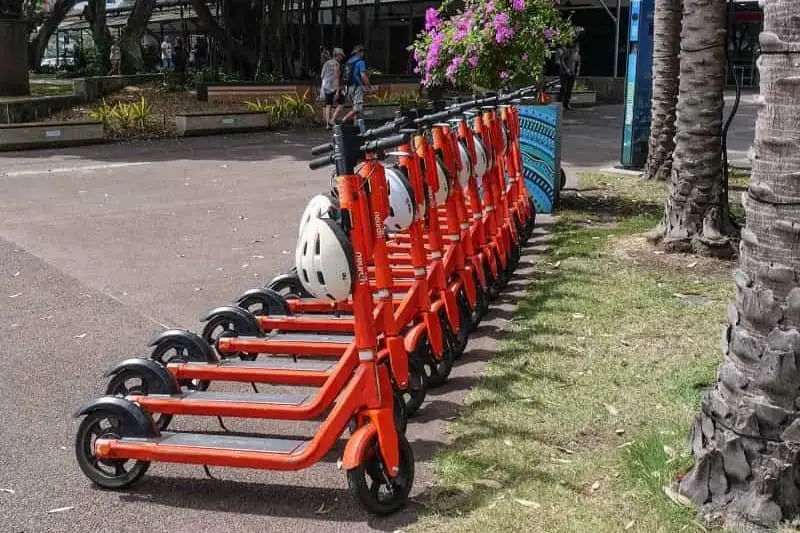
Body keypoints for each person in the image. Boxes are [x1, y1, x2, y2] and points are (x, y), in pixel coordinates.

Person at [341, 45, 375, 125]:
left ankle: (356, 125)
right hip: (356, 87)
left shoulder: (349, 61)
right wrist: (368, 86)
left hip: (348, 87)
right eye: (362, 52)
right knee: (358, 108)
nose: (363, 53)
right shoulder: (361, 62)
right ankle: (343, 120)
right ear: (359, 52)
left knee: (355, 107)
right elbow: (363, 75)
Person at [320, 47, 346, 129]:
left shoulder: (326, 63)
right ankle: (332, 119)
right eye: (341, 56)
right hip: (334, 87)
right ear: (337, 55)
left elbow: (321, 76)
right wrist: (338, 91)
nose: (341, 58)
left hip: (326, 87)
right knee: (341, 103)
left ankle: (328, 124)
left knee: (328, 105)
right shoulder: (336, 64)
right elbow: (336, 77)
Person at [556, 41, 581, 111]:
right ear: (573, 48)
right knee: (564, 88)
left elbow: (579, 62)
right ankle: (559, 104)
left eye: (578, 49)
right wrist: (566, 68)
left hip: (572, 73)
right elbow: (561, 59)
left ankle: (566, 104)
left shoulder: (577, 54)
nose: (577, 50)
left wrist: (578, 71)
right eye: (576, 48)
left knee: (569, 89)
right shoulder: (568, 52)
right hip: (564, 73)